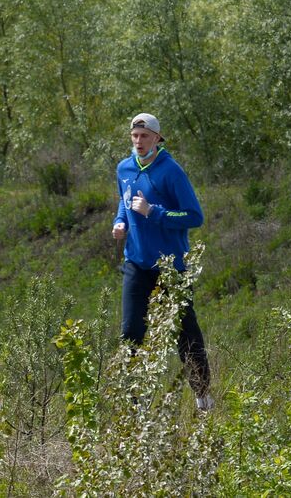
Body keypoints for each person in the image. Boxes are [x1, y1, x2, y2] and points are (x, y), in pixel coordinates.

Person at [112, 112, 212, 410]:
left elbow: (194, 216)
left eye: (144, 136)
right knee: (131, 332)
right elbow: (124, 199)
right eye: (135, 136)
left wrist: (153, 212)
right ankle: (136, 404)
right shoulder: (124, 168)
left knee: (185, 332)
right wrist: (121, 223)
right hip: (137, 263)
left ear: (157, 138)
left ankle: (202, 396)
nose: (139, 141)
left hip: (171, 266)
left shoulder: (171, 172)